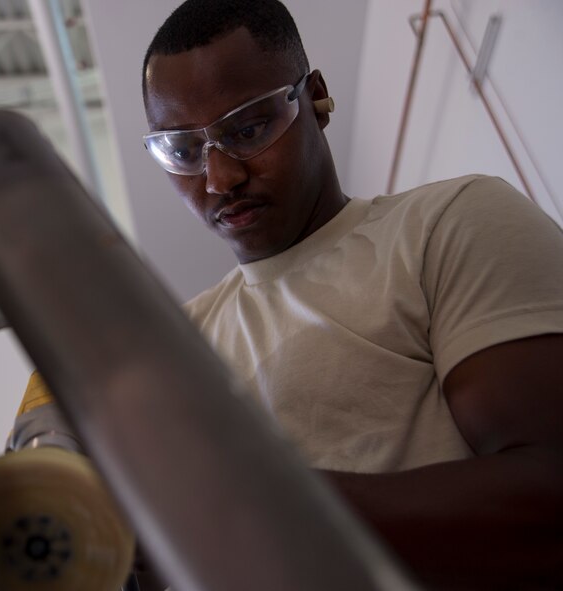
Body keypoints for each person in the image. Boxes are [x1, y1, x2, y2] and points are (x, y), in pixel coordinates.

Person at [134, 0, 563, 589]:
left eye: (249, 128)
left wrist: (265, 507)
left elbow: (549, 497)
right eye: (183, 151)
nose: (219, 178)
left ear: (315, 97)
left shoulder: (447, 223)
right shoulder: (173, 345)